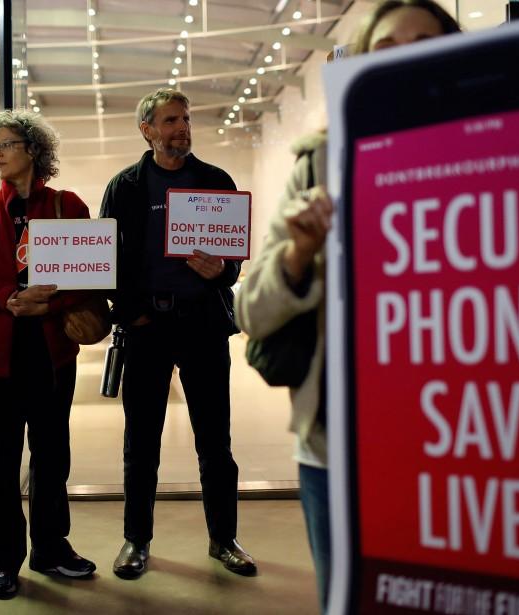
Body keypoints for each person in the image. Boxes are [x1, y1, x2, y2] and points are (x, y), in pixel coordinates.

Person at [234, 2, 460, 612]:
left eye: (426, 42)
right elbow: (251, 310)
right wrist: (298, 255)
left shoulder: (504, 152)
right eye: (387, 46)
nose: (407, 56)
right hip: (341, 445)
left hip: (468, 441)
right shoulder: (318, 165)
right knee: (350, 598)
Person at [99, 88, 254, 579]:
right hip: (147, 328)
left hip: (204, 326)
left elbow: (233, 258)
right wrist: (130, 312)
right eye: (169, 120)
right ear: (147, 130)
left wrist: (222, 272)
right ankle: (136, 541)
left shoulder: (215, 180)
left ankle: (223, 538)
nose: (181, 128)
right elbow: (108, 259)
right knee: (141, 441)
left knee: (215, 441)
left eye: (185, 119)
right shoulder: (125, 186)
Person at [0, 109, 97, 599]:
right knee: (0, 461)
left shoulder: (67, 206)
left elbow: (88, 274)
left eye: (6, 144)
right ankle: (2, 559)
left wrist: (49, 302)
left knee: (52, 455)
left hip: (50, 352)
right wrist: (9, 300)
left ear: (33, 149)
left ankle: (52, 548)